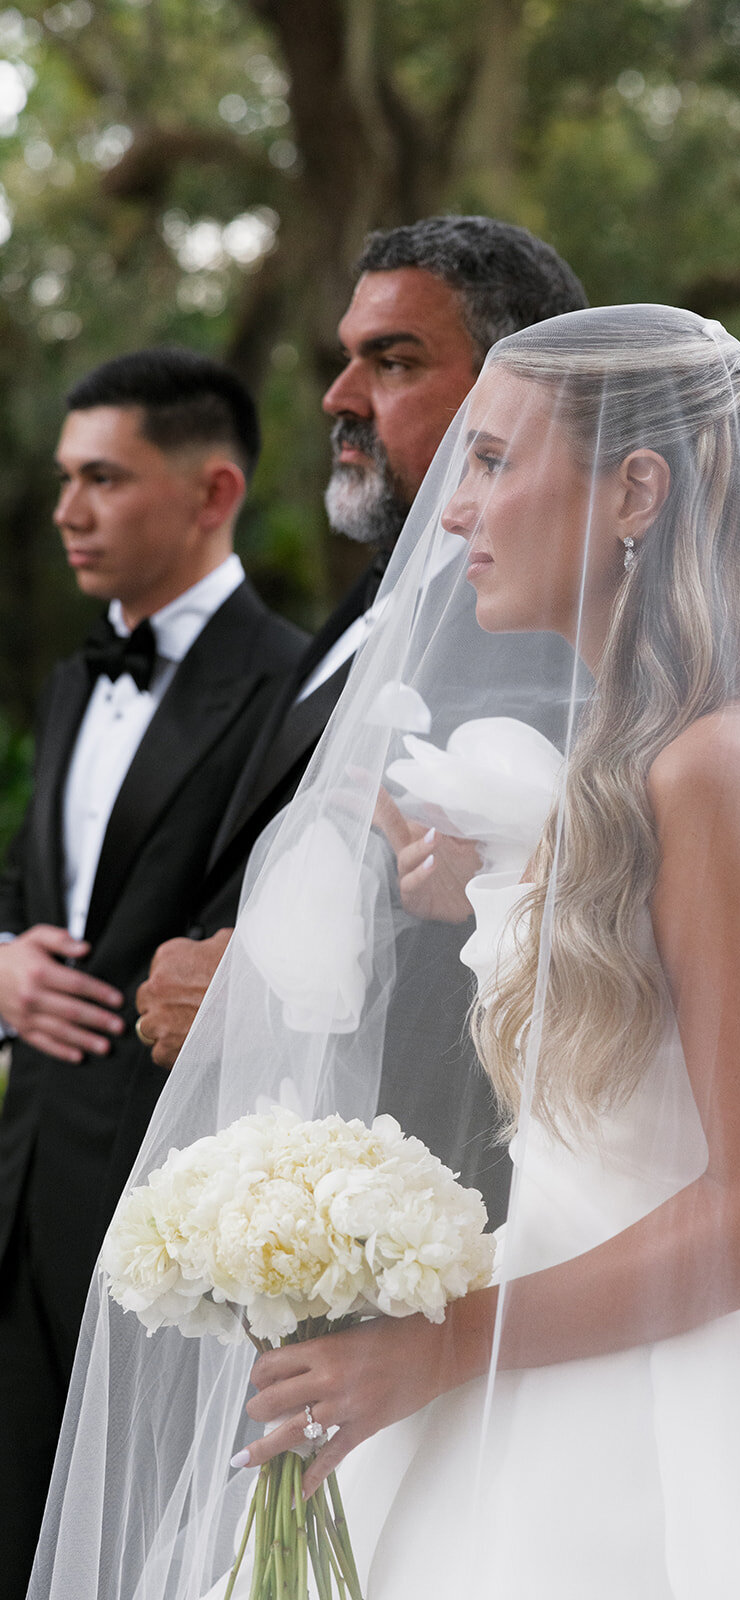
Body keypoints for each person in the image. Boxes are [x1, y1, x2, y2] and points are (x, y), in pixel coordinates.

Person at [32, 307, 740, 1598]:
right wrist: (497, 900)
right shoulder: (640, 763)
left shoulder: (721, 761)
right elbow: (646, 1003)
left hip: (656, 1418)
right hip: (542, 1344)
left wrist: (445, 1345)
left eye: (491, 462)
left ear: (635, 489)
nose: (452, 514)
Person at [133, 215, 588, 1079]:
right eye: (347, 357)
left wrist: (261, 1004)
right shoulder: (376, 593)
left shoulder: (552, 641)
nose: (338, 395)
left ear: (516, 387)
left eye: (393, 362)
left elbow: (545, 968)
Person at [0, 347, 308, 1600]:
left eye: (104, 480)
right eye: (67, 479)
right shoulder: (76, 678)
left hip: (169, 1211)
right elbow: (33, 897)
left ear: (210, 491)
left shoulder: (292, 685)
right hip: (21, 1183)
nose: (68, 511)